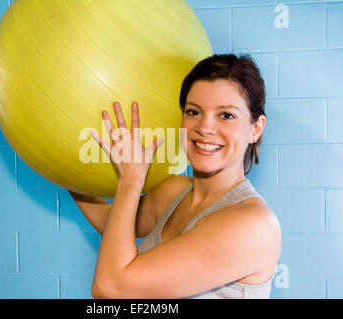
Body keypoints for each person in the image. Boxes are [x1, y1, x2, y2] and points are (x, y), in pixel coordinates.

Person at [68, 54, 281, 299]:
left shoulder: (254, 226)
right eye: (193, 112)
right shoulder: (175, 191)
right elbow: (112, 224)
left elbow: (110, 287)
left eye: (226, 115)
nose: (205, 128)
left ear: (256, 128)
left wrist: (131, 180)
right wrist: (62, 170)